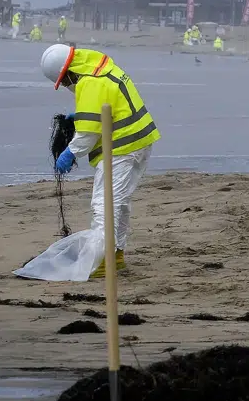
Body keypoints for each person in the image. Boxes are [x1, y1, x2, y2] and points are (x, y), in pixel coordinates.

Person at [40, 44, 160, 278]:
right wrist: (83, 115)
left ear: (68, 73)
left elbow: (87, 136)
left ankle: (103, 260)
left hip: (122, 148)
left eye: (64, 83)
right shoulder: (99, 68)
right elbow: (107, 108)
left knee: (104, 205)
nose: (67, 87)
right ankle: (116, 254)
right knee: (120, 202)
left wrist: (69, 153)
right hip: (140, 141)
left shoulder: (90, 82)